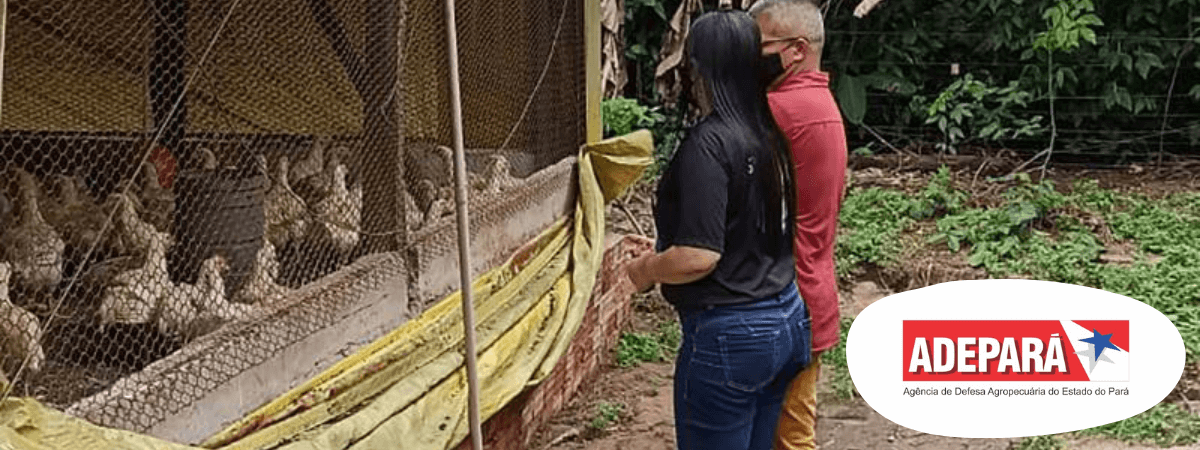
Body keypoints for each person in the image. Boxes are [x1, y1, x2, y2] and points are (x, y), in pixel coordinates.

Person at [624, 9, 811, 450]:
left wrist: (646, 269)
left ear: (699, 68)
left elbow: (697, 257)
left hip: (733, 335)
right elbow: (741, 225)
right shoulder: (768, 133)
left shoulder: (710, 143)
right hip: (786, 316)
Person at [747, 1, 848, 449]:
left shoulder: (782, 110)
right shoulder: (817, 102)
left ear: (797, 50)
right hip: (810, 291)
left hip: (788, 299)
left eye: (759, 44)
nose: (750, 56)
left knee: (788, 438)